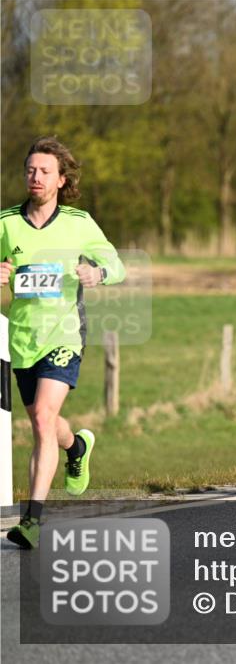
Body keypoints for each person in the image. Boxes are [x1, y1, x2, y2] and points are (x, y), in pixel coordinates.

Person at [2, 136, 125, 549]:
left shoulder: (79, 222)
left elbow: (115, 263)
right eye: (30, 170)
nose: (35, 177)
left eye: (44, 172)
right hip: (23, 338)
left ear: (60, 180)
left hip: (65, 334)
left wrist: (98, 274)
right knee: (45, 419)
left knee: (40, 420)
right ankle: (76, 448)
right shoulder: (6, 223)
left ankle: (32, 520)